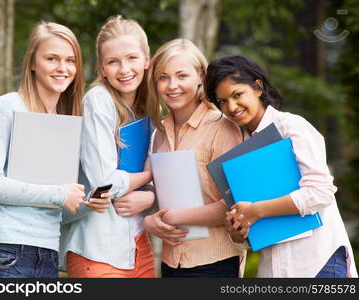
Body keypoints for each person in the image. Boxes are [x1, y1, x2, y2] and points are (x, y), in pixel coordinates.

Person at [204, 54, 358, 278]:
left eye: (237, 95)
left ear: (258, 87)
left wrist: (255, 211)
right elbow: (250, 233)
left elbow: (320, 193)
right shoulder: (239, 149)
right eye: (222, 101)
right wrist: (239, 230)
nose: (232, 106)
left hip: (317, 263)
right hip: (275, 270)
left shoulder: (292, 127)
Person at [0, 21, 87, 278]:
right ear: (32, 63)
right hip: (4, 253)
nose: (62, 68)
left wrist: (89, 202)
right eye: (52, 59)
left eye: (70, 60)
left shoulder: (68, 122)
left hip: (48, 255)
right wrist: (60, 194)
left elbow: (57, 204)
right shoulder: (10, 106)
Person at [59, 15, 159, 278]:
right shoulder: (98, 101)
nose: (124, 69)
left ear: (147, 60)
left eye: (131, 58)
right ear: (102, 68)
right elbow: (103, 183)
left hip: (138, 244)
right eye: (113, 62)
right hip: (98, 249)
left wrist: (151, 195)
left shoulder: (150, 105)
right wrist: (150, 175)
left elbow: (170, 172)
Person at [143, 39, 247, 278]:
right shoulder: (158, 133)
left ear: (201, 76)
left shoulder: (222, 128)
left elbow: (235, 205)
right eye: (163, 77)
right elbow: (158, 192)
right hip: (170, 262)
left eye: (182, 75)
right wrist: (150, 223)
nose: (172, 85)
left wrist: (173, 218)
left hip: (214, 263)